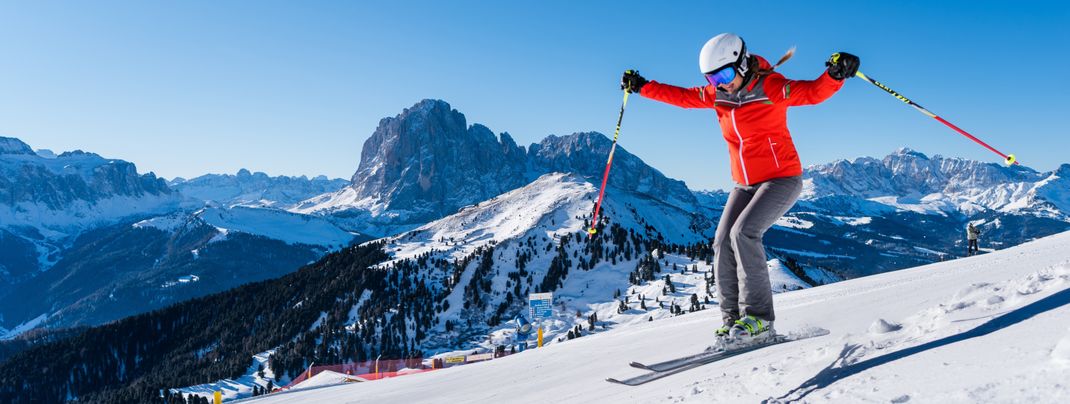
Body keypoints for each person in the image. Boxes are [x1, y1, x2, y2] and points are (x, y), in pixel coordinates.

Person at [621, 33, 859, 342]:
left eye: (724, 74)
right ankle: (732, 321)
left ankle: (759, 319)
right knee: (721, 241)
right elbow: (682, 97)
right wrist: (643, 87)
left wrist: (833, 75)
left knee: (743, 233)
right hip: (744, 184)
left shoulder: (771, 86)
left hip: (781, 178)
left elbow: (811, 93)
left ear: (742, 63)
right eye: (712, 77)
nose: (720, 83)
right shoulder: (718, 95)